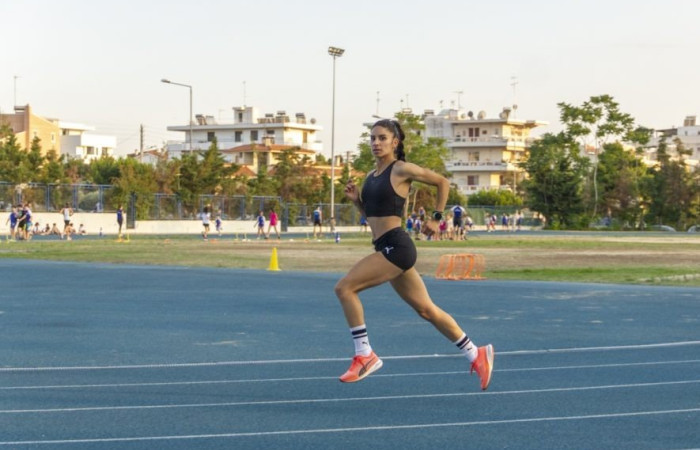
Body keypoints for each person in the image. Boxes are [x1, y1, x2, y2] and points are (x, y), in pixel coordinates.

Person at [335, 119, 494, 389]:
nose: (376, 143)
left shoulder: (401, 169)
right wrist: (357, 202)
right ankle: (475, 353)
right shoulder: (370, 177)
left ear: (395, 142)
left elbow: (442, 182)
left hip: (397, 247)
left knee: (345, 288)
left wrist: (435, 218)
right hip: (384, 246)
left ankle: (365, 355)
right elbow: (373, 218)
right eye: (373, 138)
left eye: (382, 138)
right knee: (426, 310)